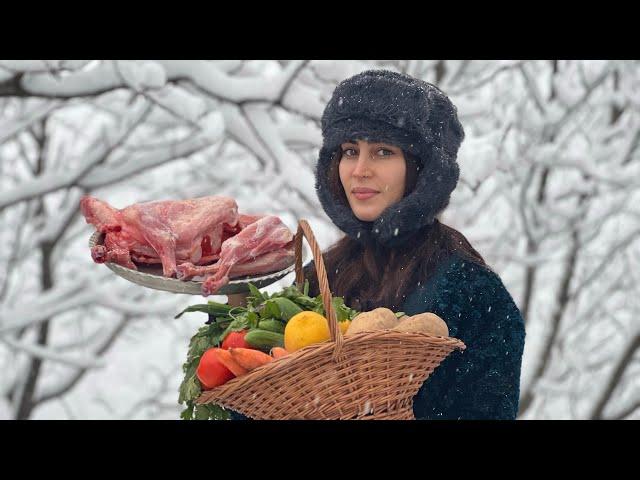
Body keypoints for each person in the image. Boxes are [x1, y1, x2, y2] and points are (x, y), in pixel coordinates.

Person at [230, 69, 526, 420]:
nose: (360, 169)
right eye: (350, 150)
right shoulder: (316, 281)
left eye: (383, 152)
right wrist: (234, 306)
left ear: (421, 169)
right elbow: (258, 404)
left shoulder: (473, 291)